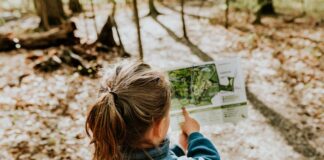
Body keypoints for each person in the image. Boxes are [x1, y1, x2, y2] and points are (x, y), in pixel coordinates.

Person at [85, 61, 220, 160]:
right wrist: (194, 135)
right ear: (159, 127)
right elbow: (210, 158)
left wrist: (178, 149)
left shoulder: (109, 153)